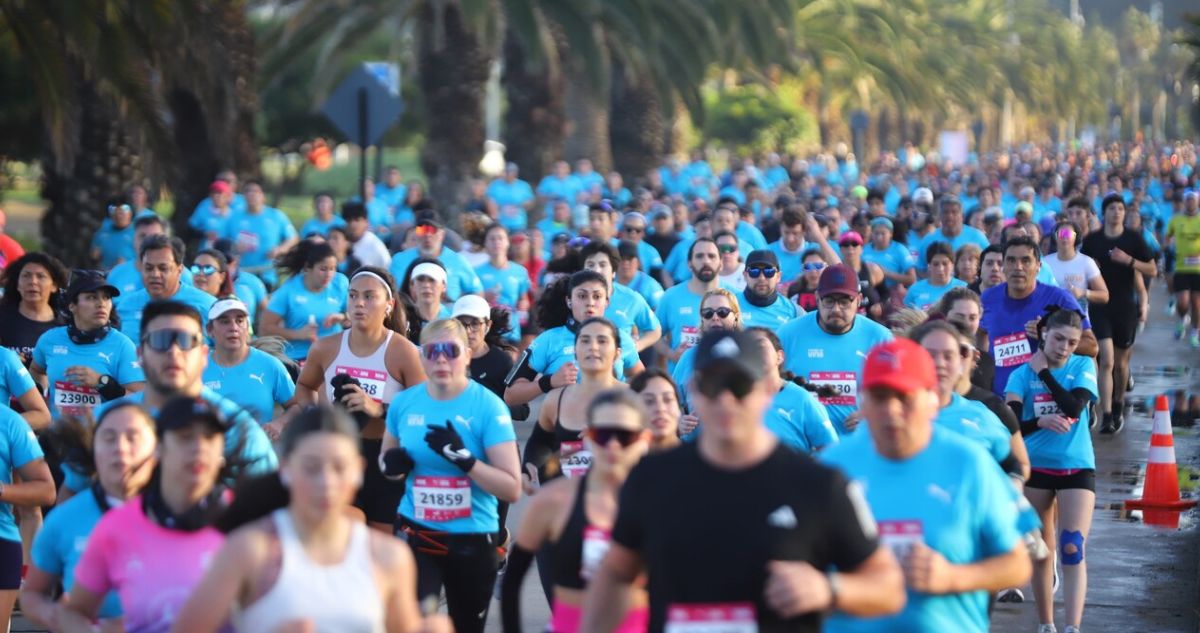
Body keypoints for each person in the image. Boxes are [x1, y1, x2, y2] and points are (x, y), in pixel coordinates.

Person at [579, 330, 905, 633]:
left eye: (739, 386)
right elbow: (616, 573)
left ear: (766, 391)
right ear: (692, 392)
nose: (725, 401)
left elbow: (887, 587)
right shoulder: (652, 479)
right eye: (712, 387)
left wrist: (828, 589)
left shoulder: (818, 484)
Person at [821, 338, 1032, 633]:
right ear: (862, 400)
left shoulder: (971, 464)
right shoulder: (830, 468)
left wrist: (951, 577)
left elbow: (1018, 564)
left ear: (932, 399)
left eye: (904, 396)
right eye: (880, 396)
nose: (892, 410)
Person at [173, 406, 442, 633]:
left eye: (339, 467)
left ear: (359, 470)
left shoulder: (388, 557)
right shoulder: (249, 550)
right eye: (311, 467)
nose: (326, 482)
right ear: (285, 468)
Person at [381, 318, 521, 633]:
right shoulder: (404, 403)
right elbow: (386, 461)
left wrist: (465, 460)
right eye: (432, 352)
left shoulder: (488, 407)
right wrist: (392, 466)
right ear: (422, 357)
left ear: (468, 354)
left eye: (451, 351)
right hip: (418, 534)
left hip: (471, 539)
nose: (441, 359)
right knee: (416, 624)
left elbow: (512, 489)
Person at [60, 397, 234, 633]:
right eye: (185, 437)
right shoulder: (117, 526)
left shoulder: (249, 521)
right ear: (158, 449)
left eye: (210, 437)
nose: (199, 448)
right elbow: (73, 613)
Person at [502, 389, 652, 633]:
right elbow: (512, 584)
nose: (613, 445)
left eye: (625, 436)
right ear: (587, 437)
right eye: (602, 435)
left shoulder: (661, 501)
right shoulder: (553, 501)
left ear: (645, 438)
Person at [89, 301, 278, 490]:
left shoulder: (237, 429)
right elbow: (72, 492)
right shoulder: (103, 423)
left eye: (186, 341)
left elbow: (271, 503)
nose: (173, 351)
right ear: (140, 354)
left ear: (204, 354)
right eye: (160, 340)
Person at [295, 267, 425, 531]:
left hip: (385, 459)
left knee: (377, 551)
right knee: (341, 539)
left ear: (388, 305)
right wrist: (320, 419)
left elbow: (423, 410)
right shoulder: (325, 347)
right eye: (353, 296)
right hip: (340, 455)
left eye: (369, 296)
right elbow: (305, 386)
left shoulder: (403, 352)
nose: (359, 304)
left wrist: (377, 408)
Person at [22, 403, 157, 632]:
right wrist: (56, 615)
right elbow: (32, 595)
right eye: (109, 438)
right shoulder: (64, 519)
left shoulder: (182, 515)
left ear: (157, 450)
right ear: (94, 450)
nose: (120, 448)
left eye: (132, 437)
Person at [1004, 309, 1098, 633]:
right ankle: (1046, 623)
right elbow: (1013, 424)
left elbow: (1074, 407)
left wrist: (1045, 375)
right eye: (1058, 338)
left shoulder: (1083, 366)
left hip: (1076, 465)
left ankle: (1073, 626)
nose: (1064, 347)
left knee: (1072, 545)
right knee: (1041, 549)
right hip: (1037, 468)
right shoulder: (1020, 375)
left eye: (1072, 342)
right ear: (1043, 334)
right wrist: (1040, 421)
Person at [779, 264, 894, 436]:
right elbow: (767, 390)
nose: (836, 309)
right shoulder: (787, 335)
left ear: (858, 300)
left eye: (844, 301)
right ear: (817, 298)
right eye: (829, 301)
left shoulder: (880, 338)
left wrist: (873, 415)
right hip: (803, 446)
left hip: (858, 445)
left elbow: (896, 394)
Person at [979, 237, 1097, 399]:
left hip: (1045, 397)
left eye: (1026, 261)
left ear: (1038, 267)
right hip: (1001, 399)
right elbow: (980, 335)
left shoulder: (1060, 299)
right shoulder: (988, 298)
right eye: (1011, 261)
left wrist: (1048, 337)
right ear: (1004, 267)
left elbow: (1091, 346)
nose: (1018, 267)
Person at [505, 271, 644, 407]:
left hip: (611, 425)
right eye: (582, 296)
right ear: (569, 301)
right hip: (563, 425)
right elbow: (510, 395)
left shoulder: (621, 338)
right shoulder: (547, 340)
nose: (590, 302)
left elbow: (642, 385)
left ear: (606, 302)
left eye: (597, 296)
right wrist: (549, 382)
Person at [1080, 195, 1154, 435]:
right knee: (1107, 361)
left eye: (1120, 208)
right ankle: (1107, 414)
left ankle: (1119, 403)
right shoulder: (1093, 240)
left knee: (1121, 365)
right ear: (1104, 213)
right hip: (1101, 306)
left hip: (1125, 307)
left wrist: (1129, 260)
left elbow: (1152, 268)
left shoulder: (1133, 238)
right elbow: (1082, 265)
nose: (1117, 212)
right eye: (1112, 208)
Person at [31, 270, 145, 422]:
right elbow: (36, 371)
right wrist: (42, 397)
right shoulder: (50, 339)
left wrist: (103, 383)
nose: (101, 304)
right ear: (72, 305)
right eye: (91, 297)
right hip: (57, 437)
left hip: (101, 438)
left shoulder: (123, 345)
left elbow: (141, 399)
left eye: (106, 298)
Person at [202, 297, 298, 429]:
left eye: (240, 321)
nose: (234, 328)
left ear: (248, 328)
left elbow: (296, 406)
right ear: (210, 330)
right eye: (225, 322)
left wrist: (279, 424)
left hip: (257, 449)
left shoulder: (270, 365)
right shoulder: (197, 367)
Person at [748, 327, 838, 453]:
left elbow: (831, 449)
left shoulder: (802, 400)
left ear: (779, 357)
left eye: (760, 347)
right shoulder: (732, 400)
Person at [114, 234, 216, 342]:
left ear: (179, 269)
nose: (155, 274)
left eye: (163, 268)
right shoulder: (126, 306)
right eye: (149, 268)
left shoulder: (208, 307)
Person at [260, 240, 349, 362]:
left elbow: (356, 314)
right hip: (299, 357)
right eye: (323, 269)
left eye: (333, 268)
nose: (329, 274)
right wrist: (297, 334)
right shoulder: (289, 290)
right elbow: (265, 328)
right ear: (308, 267)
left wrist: (342, 317)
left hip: (335, 355)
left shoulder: (340, 283)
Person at [672, 287, 744, 418]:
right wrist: (680, 422)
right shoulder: (689, 357)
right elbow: (674, 401)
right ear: (702, 319)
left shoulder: (750, 354)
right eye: (708, 313)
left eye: (723, 312)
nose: (715, 317)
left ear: (736, 317)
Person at [654, 238, 724, 371]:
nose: (706, 261)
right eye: (699, 256)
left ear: (721, 263)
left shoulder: (734, 296)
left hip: (722, 378)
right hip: (682, 379)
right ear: (689, 264)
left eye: (711, 256)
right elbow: (653, 333)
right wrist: (671, 354)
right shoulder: (671, 296)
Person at [580, 241, 662, 353]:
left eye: (602, 265)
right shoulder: (571, 297)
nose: (596, 270)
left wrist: (636, 347)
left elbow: (655, 330)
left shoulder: (631, 298)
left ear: (614, 271)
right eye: (590, 265)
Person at [390, 213, 484, 301]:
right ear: (415, 233)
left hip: (448, 316)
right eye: (422, 230)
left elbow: (477, 291)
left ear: (442, 234)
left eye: (432, 230)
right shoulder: (399, 260)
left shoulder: (457, 260)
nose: (427, 235)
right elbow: (390, 292)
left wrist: (457, 304)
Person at [222, 180, 299, 287]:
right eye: (247, 191)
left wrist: (280, 250)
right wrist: (234, 248)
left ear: (263, 196)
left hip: (266, 272)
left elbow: (293, 238)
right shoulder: (233, 217)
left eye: (256, 191)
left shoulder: (276, 216)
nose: (251, 194)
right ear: (243, 196)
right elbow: (222, 242)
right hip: (240, 273)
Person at [0, 252, 68, 365]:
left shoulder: (66, 325)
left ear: (54, 286)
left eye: (41, 276)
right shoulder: (3, 318)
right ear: (17, 284)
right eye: (26, 276)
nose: (32, 282)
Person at [474, 223, 532, 342]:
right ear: (485, 243)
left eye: (500, 238)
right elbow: (469, 300)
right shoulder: (476, 272)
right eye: (492, 238)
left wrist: (523, 305)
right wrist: (484, 296)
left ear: (507, 242)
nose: (496, 242)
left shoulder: (520, 272)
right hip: (485, 331)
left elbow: (523, 299)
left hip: (511, 331)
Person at [1044, 221, 1108, 321]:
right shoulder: (1045, 262)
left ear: (1076, 237)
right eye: (1061, 234)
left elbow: (1104, 296)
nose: (1064, 237)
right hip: (1050, 321)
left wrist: (1083, 293)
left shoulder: (1086, 262)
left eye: (1068, 234)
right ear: (1055, 237)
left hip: (1079, 321)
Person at [916, 196, 991, 273]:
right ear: (939, 216)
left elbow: (989, 264)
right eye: (945, 212)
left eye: (954, 212)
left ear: (962, 216)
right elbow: (920, 270)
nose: (949, 216)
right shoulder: (928, 240)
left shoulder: (978, 237)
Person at [1166, 189, 1200, 346]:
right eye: (1188, 200)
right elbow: (1167, 236)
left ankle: (1194, 332)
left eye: (1193, 200)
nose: (1190, 202)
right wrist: (1168, 247)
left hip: (1198, 269)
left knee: (1196, 303)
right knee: (1183, 302)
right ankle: (1182, 319)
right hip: (1181, 267)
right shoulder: (1176, 219)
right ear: (1184, 202)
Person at [740, 249, 801, 328]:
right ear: (745, 276)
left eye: (768, 271)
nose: (761, 278)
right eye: (754, 271)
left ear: (778, 276)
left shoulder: (794, 312)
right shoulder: (730, 305)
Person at [629, 369, 682, 451]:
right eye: (649, 401)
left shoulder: (702, 457)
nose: (660, 408)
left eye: (667, 399)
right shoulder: (624, 462)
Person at [904, 242, 968, 310]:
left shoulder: (963, 288)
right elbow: (906, 318)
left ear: (952, 265)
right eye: (935, 264)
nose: (940, 269)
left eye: (945, 264)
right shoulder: (915, 289)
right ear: (929, 266)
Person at [837, 231, 886, 319]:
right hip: (844, 320)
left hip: (869, 319)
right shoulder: (835, 272)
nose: (850, 248)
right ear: (840, 249)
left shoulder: (872, 269)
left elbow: (886, 293)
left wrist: (880, 305)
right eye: (846, 245)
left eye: (854, 244)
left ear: (861, 248)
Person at [863, 216, 917, 289]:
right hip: (868, 290)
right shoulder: (864, 249)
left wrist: (885, 273)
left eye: (883, 234)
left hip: (891, 291)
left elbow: (912, 278)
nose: (879, 237)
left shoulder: (900, 250)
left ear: (890, 234)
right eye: (876, 233)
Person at [616, 241, 665, 312]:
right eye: (622, 258)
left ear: (638, 262)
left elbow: (661, 310)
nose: (625, 263)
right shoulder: (609, 281)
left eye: (630, 259)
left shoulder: (650, 285)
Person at [342, 201, 392, 270]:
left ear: (366, 222)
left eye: (357, 220)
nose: (352, 224)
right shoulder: (339, 242)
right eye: (349, 220)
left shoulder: (375, 246)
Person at [90, 202, 136, 270]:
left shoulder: (137, 233)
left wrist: (127, 263)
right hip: (103, 273)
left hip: (129, 273)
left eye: (122, 213)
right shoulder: (102, 232)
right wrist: (94, 256)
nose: (119, 216)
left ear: (130, 214)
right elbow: (93, 256)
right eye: (115, 213)